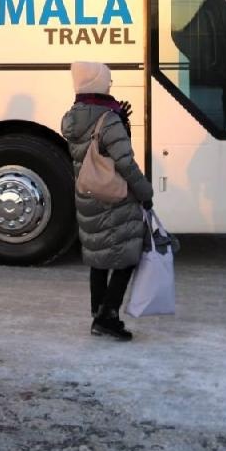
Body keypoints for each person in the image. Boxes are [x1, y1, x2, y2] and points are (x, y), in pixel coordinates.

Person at [62, 60, 154, 341]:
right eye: (107, 79)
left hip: (89, 196)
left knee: (99, 259)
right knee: (127, 258)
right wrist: (145, 193)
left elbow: (98, 152)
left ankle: (98, 314)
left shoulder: (74, 116)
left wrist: (121, 123)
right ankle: (108, 315)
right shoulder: (108, 119)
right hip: (115, 198)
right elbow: (125, 162)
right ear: (96, 83)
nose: (110, 84)